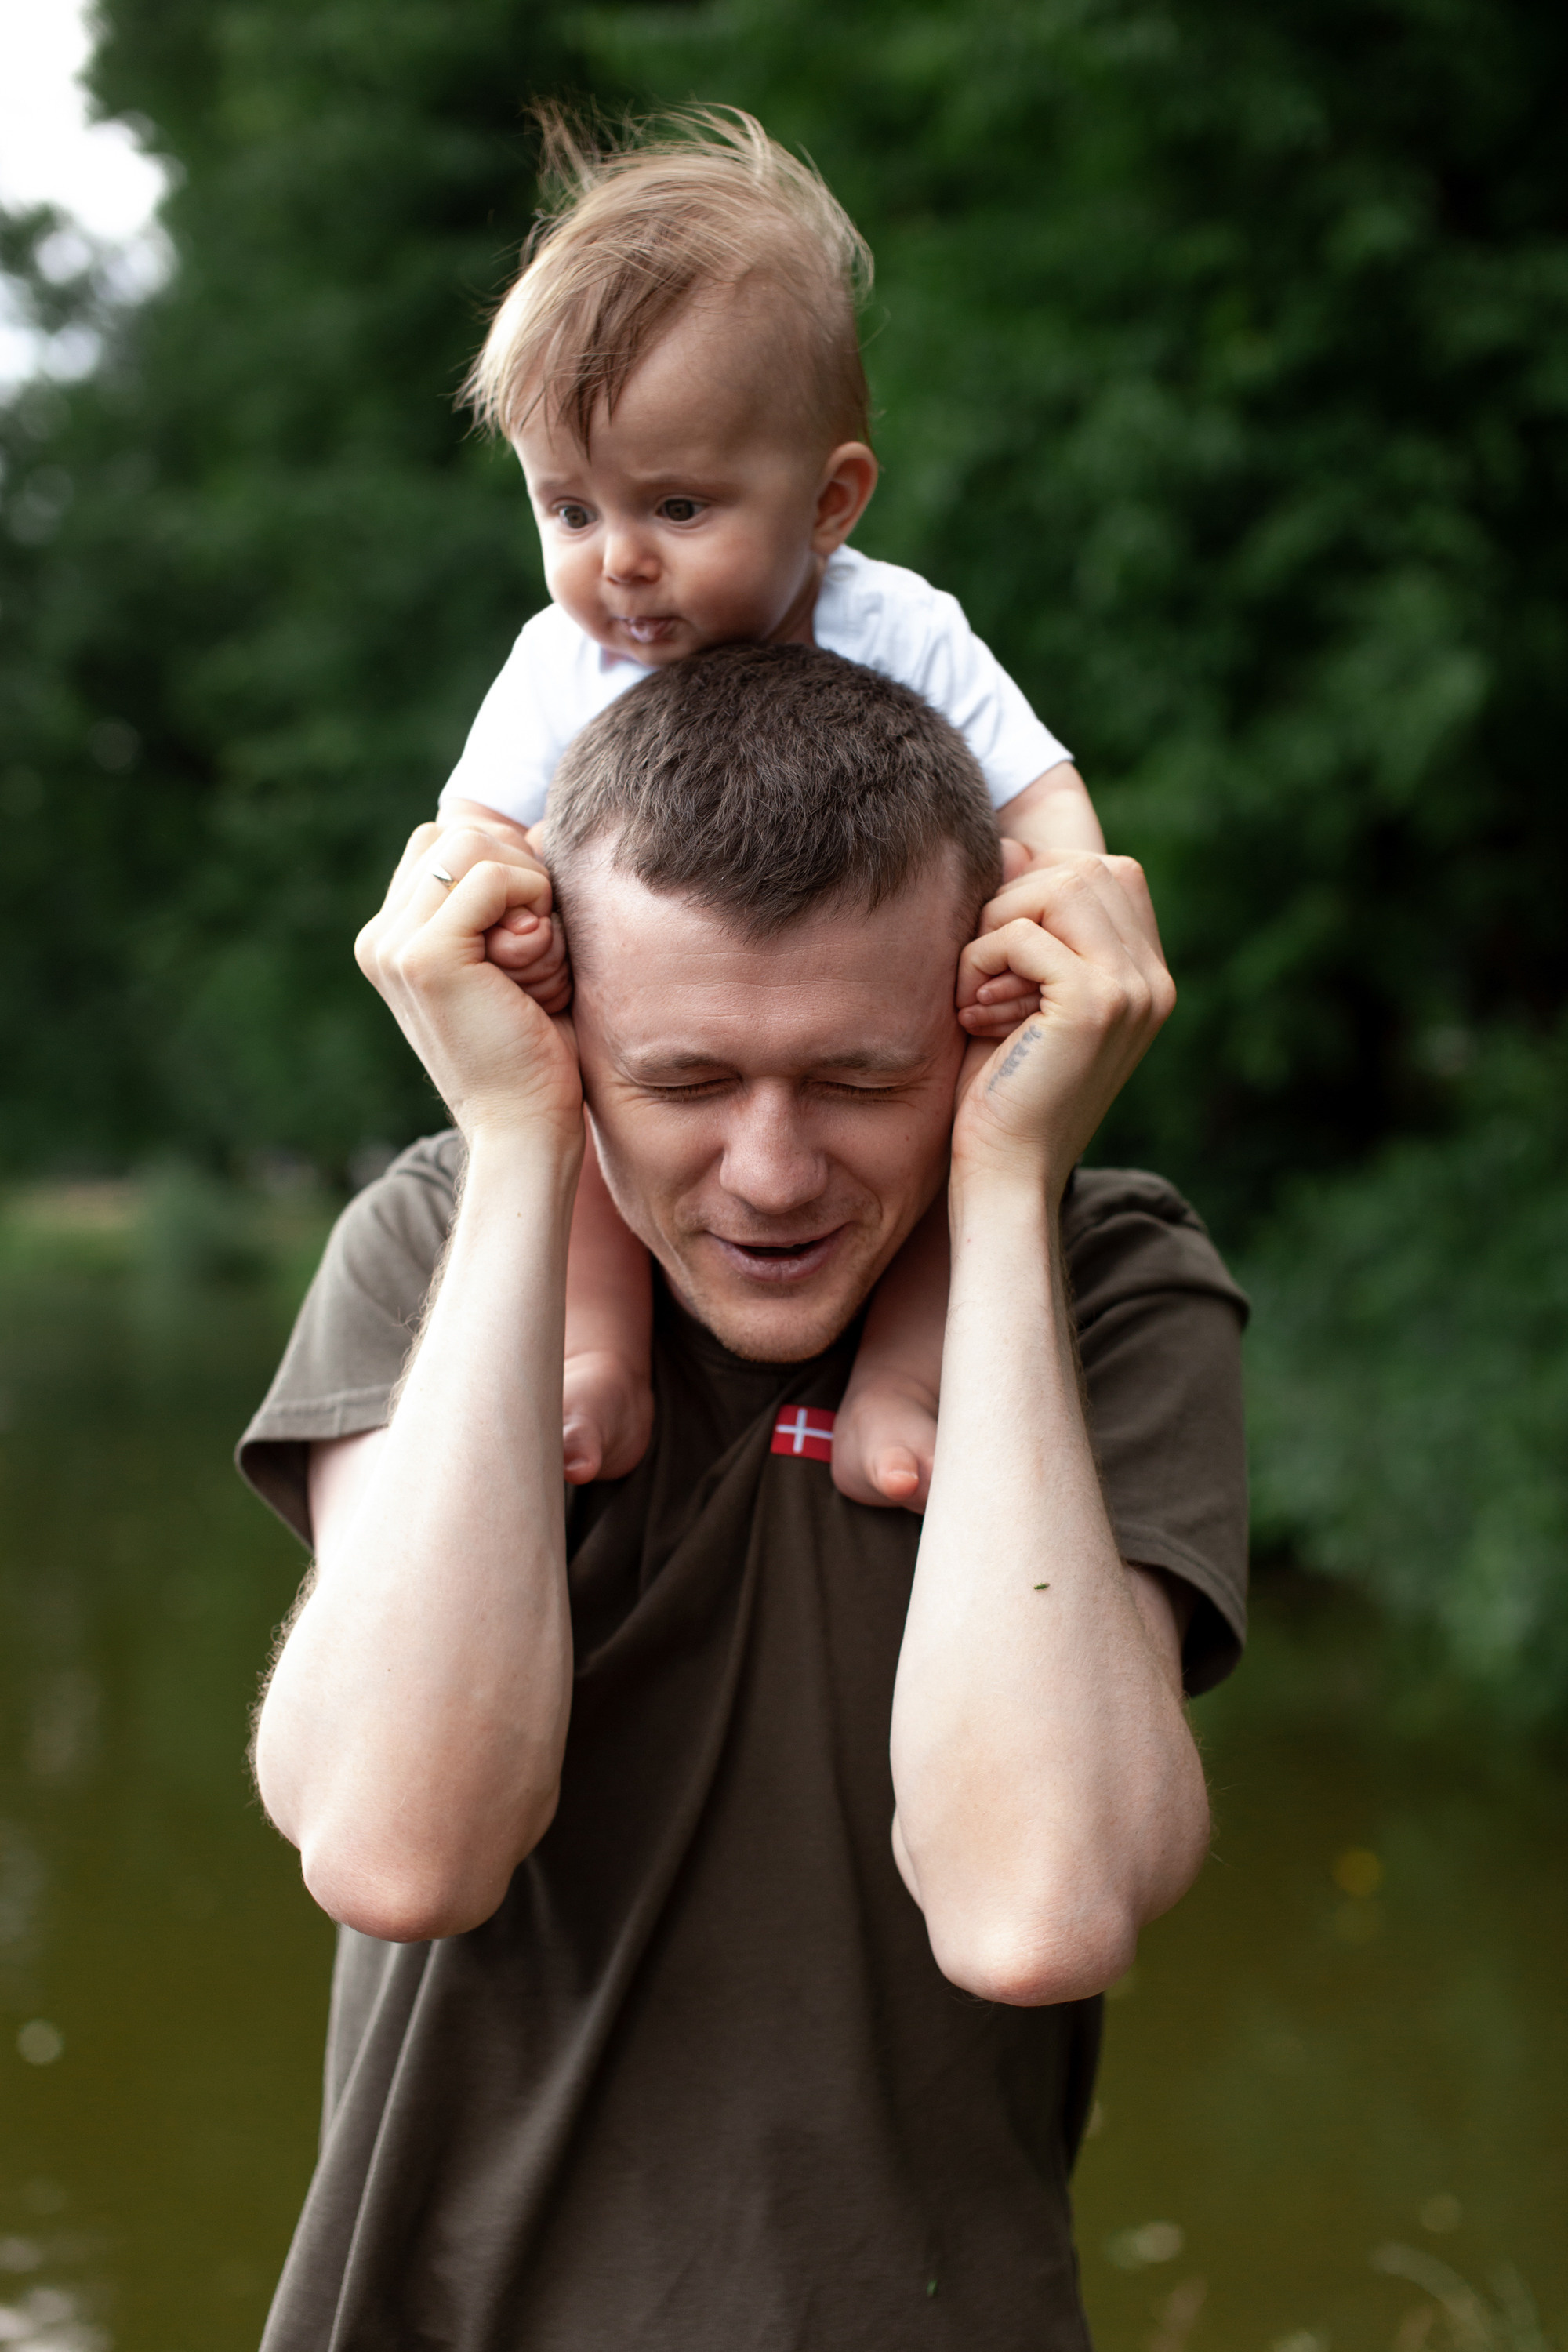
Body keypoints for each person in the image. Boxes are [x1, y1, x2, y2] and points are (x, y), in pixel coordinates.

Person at [238, 644, 1248, 2351]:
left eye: (860, 1081)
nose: (771, 1176)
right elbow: (403, 1847)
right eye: (684, 1082)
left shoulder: (1108, 1283)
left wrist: (1006, 1185)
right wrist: (512, 1146)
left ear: (979, 1013)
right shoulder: (440, 1235)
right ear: (568, 1031)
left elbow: (1036, 1907)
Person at [440, 107, 1109, 1514]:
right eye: (569, 511)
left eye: (678, 506)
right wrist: (506, 931)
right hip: (641, 1010)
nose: (618, 563)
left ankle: (912, 1380)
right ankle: (598, 1358)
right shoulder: (560, 666)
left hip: (885, 990)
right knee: (601, 1118)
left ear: (830, 501)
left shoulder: (896, 626)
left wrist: (1052, 907)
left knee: (947, 1114)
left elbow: (1042, 793)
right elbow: (472, 840)